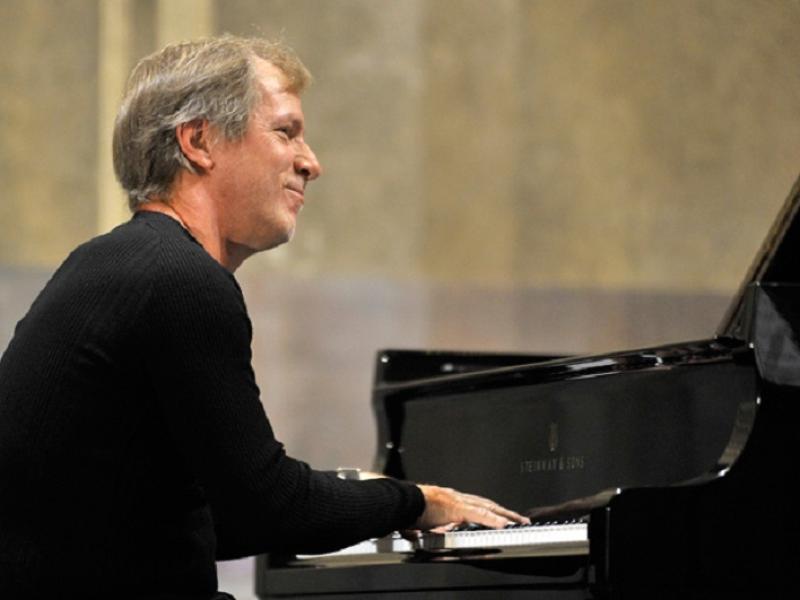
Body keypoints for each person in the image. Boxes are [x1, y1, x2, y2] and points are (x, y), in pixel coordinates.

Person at [0, 35, 527, 599]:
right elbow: (268, 507)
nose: (311, 163)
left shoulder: (118, 262)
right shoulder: (179, 280)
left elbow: (214, 520)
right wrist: (418, 501)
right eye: (285, 132)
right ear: (199, 141)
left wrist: (356, 496)